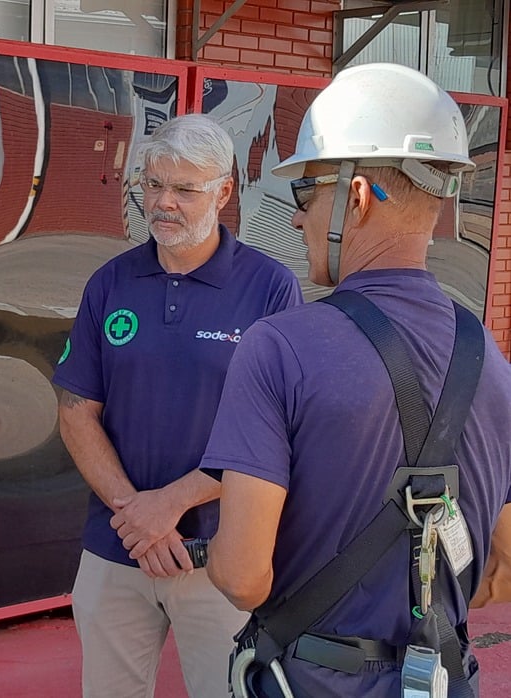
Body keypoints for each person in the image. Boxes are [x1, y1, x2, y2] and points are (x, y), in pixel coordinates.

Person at [201, 63, 511, 697]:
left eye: (305, 194)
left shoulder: (278, 347)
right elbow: (504, 567)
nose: (297, 221)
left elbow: (241, 578)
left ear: (359, 196)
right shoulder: (490, 358)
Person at [52, 113, 303, 697]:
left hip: (221, 555)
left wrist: (170, 505)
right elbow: (75, 409)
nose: (164, 202)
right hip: (117, 548)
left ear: (224, 191)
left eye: (185, 189)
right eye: (153, 184)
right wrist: (137, 516)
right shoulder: (110, 283)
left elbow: (279, 432)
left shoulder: (269, 288)